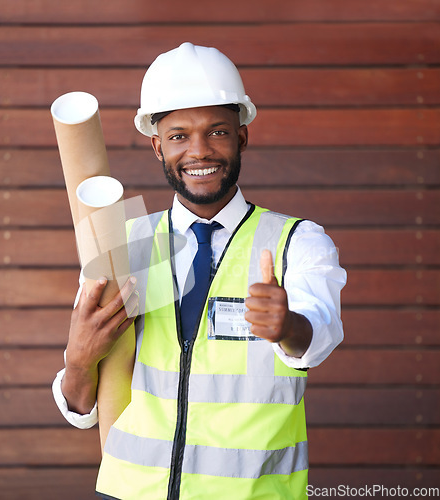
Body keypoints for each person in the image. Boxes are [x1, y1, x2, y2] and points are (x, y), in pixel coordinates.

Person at [52, 42, 347, 500]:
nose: (199, 151)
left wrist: (289, 327)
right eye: (177, 136)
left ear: (242, 137)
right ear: (156, 146)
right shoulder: (124, 242)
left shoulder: (295, 241)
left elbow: (318, 336)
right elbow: (82, 407)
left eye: (217, 132)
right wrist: (78, 359)